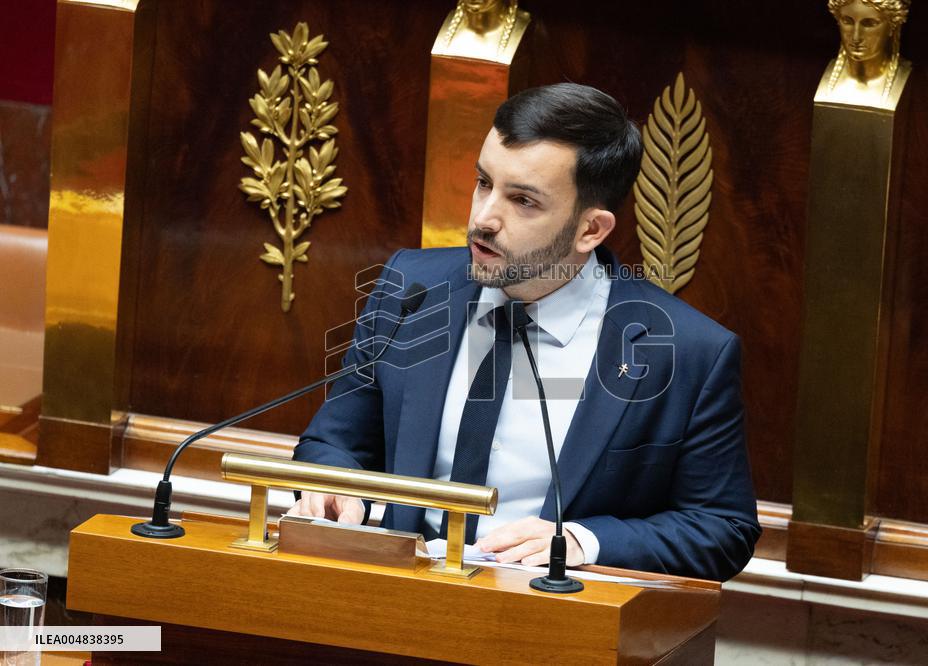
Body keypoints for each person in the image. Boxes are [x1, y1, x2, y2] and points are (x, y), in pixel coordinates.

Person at [290, 83, 760, 581]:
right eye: (483, 182)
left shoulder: (686, 351)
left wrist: (585, 540)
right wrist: (334, 487)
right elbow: (335, 442)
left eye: (523, 201)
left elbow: (722, 527)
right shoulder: (410, 289)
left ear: (591, 230)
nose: (483, 218)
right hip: (393, 597)